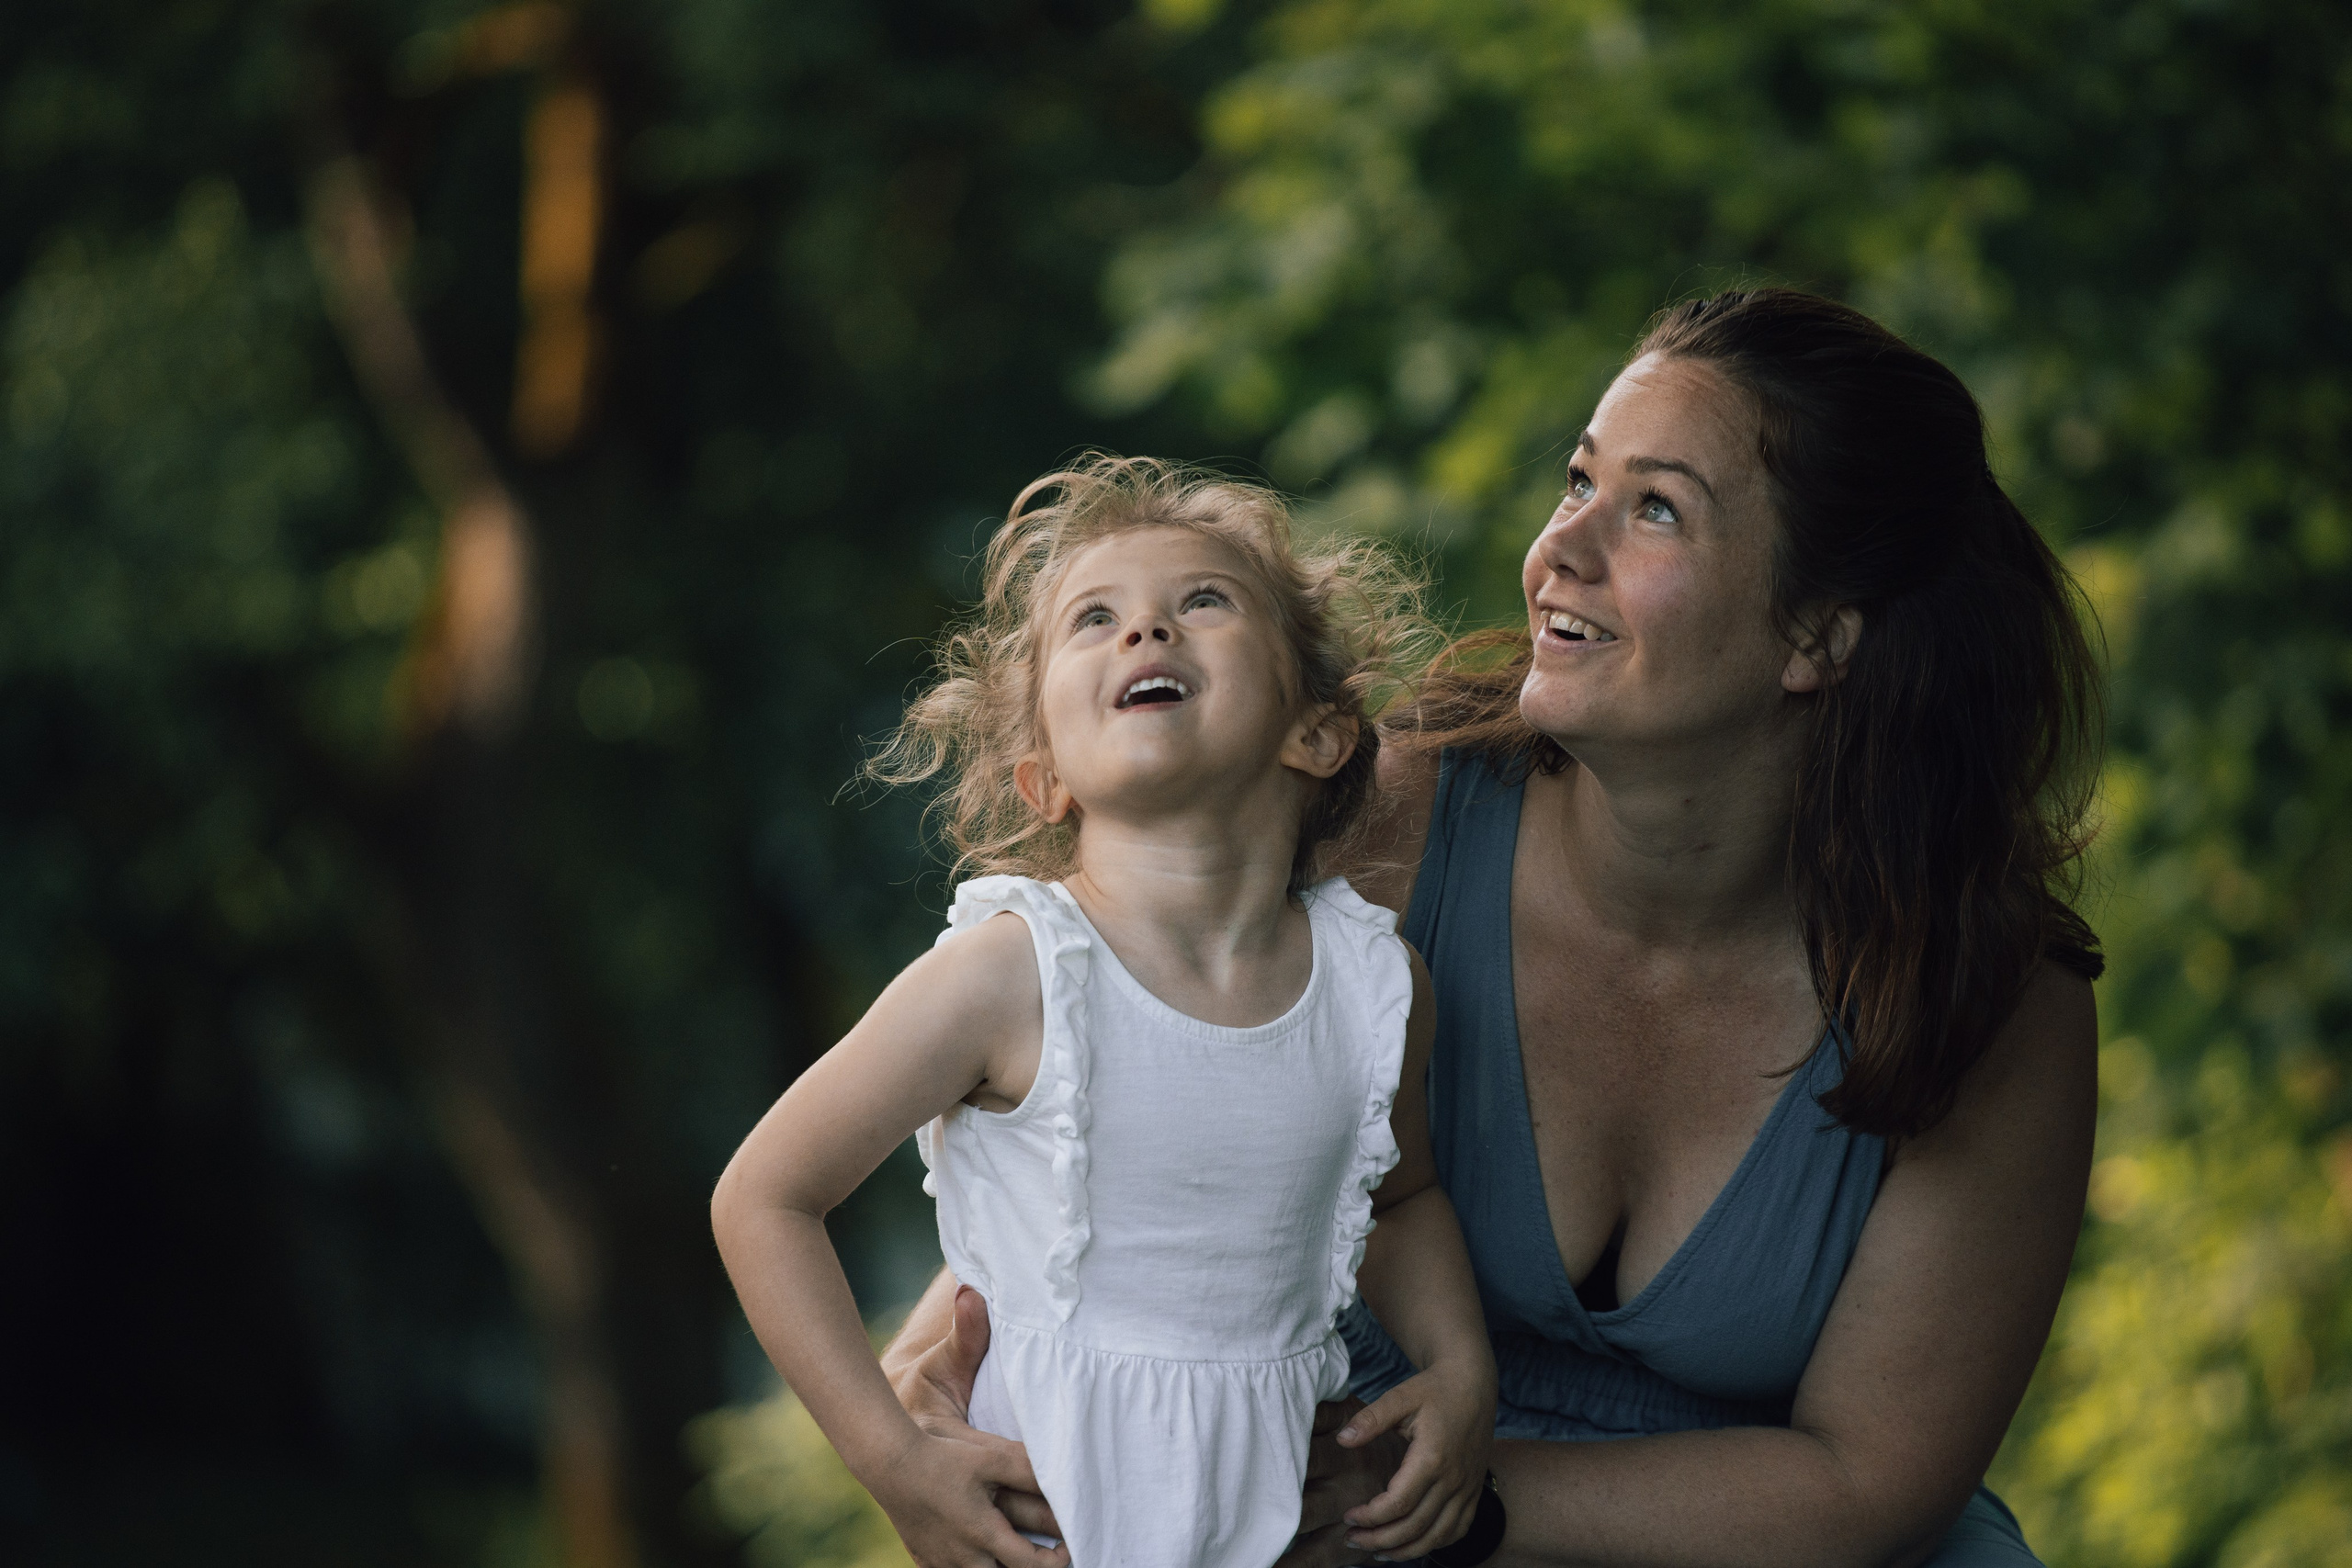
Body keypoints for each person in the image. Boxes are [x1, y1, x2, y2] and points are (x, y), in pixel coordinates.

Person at [885, 290, 2104, 1568]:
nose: (1561, 548)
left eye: (1655, 508)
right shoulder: (1382, 830)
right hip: (1306, 1511)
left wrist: (1422, 1499)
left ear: (1818, 632)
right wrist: (937, 1372)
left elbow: (1866, 1484)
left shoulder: (1988, 989)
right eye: (1580, 479)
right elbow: (1116, 1102)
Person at [711, 456, 1500, 1568]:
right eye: (1095, 619)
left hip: (1279, 1534)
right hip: (1046, 1532)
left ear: (1315, 731)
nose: (1144, 633)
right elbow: (764, 1198)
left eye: (1202, 603)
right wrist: (895, 1463)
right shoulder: (1012, 974)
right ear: (1045, 778)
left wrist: (1460, 1371)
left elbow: (1402, 1195)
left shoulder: (1374, 988)